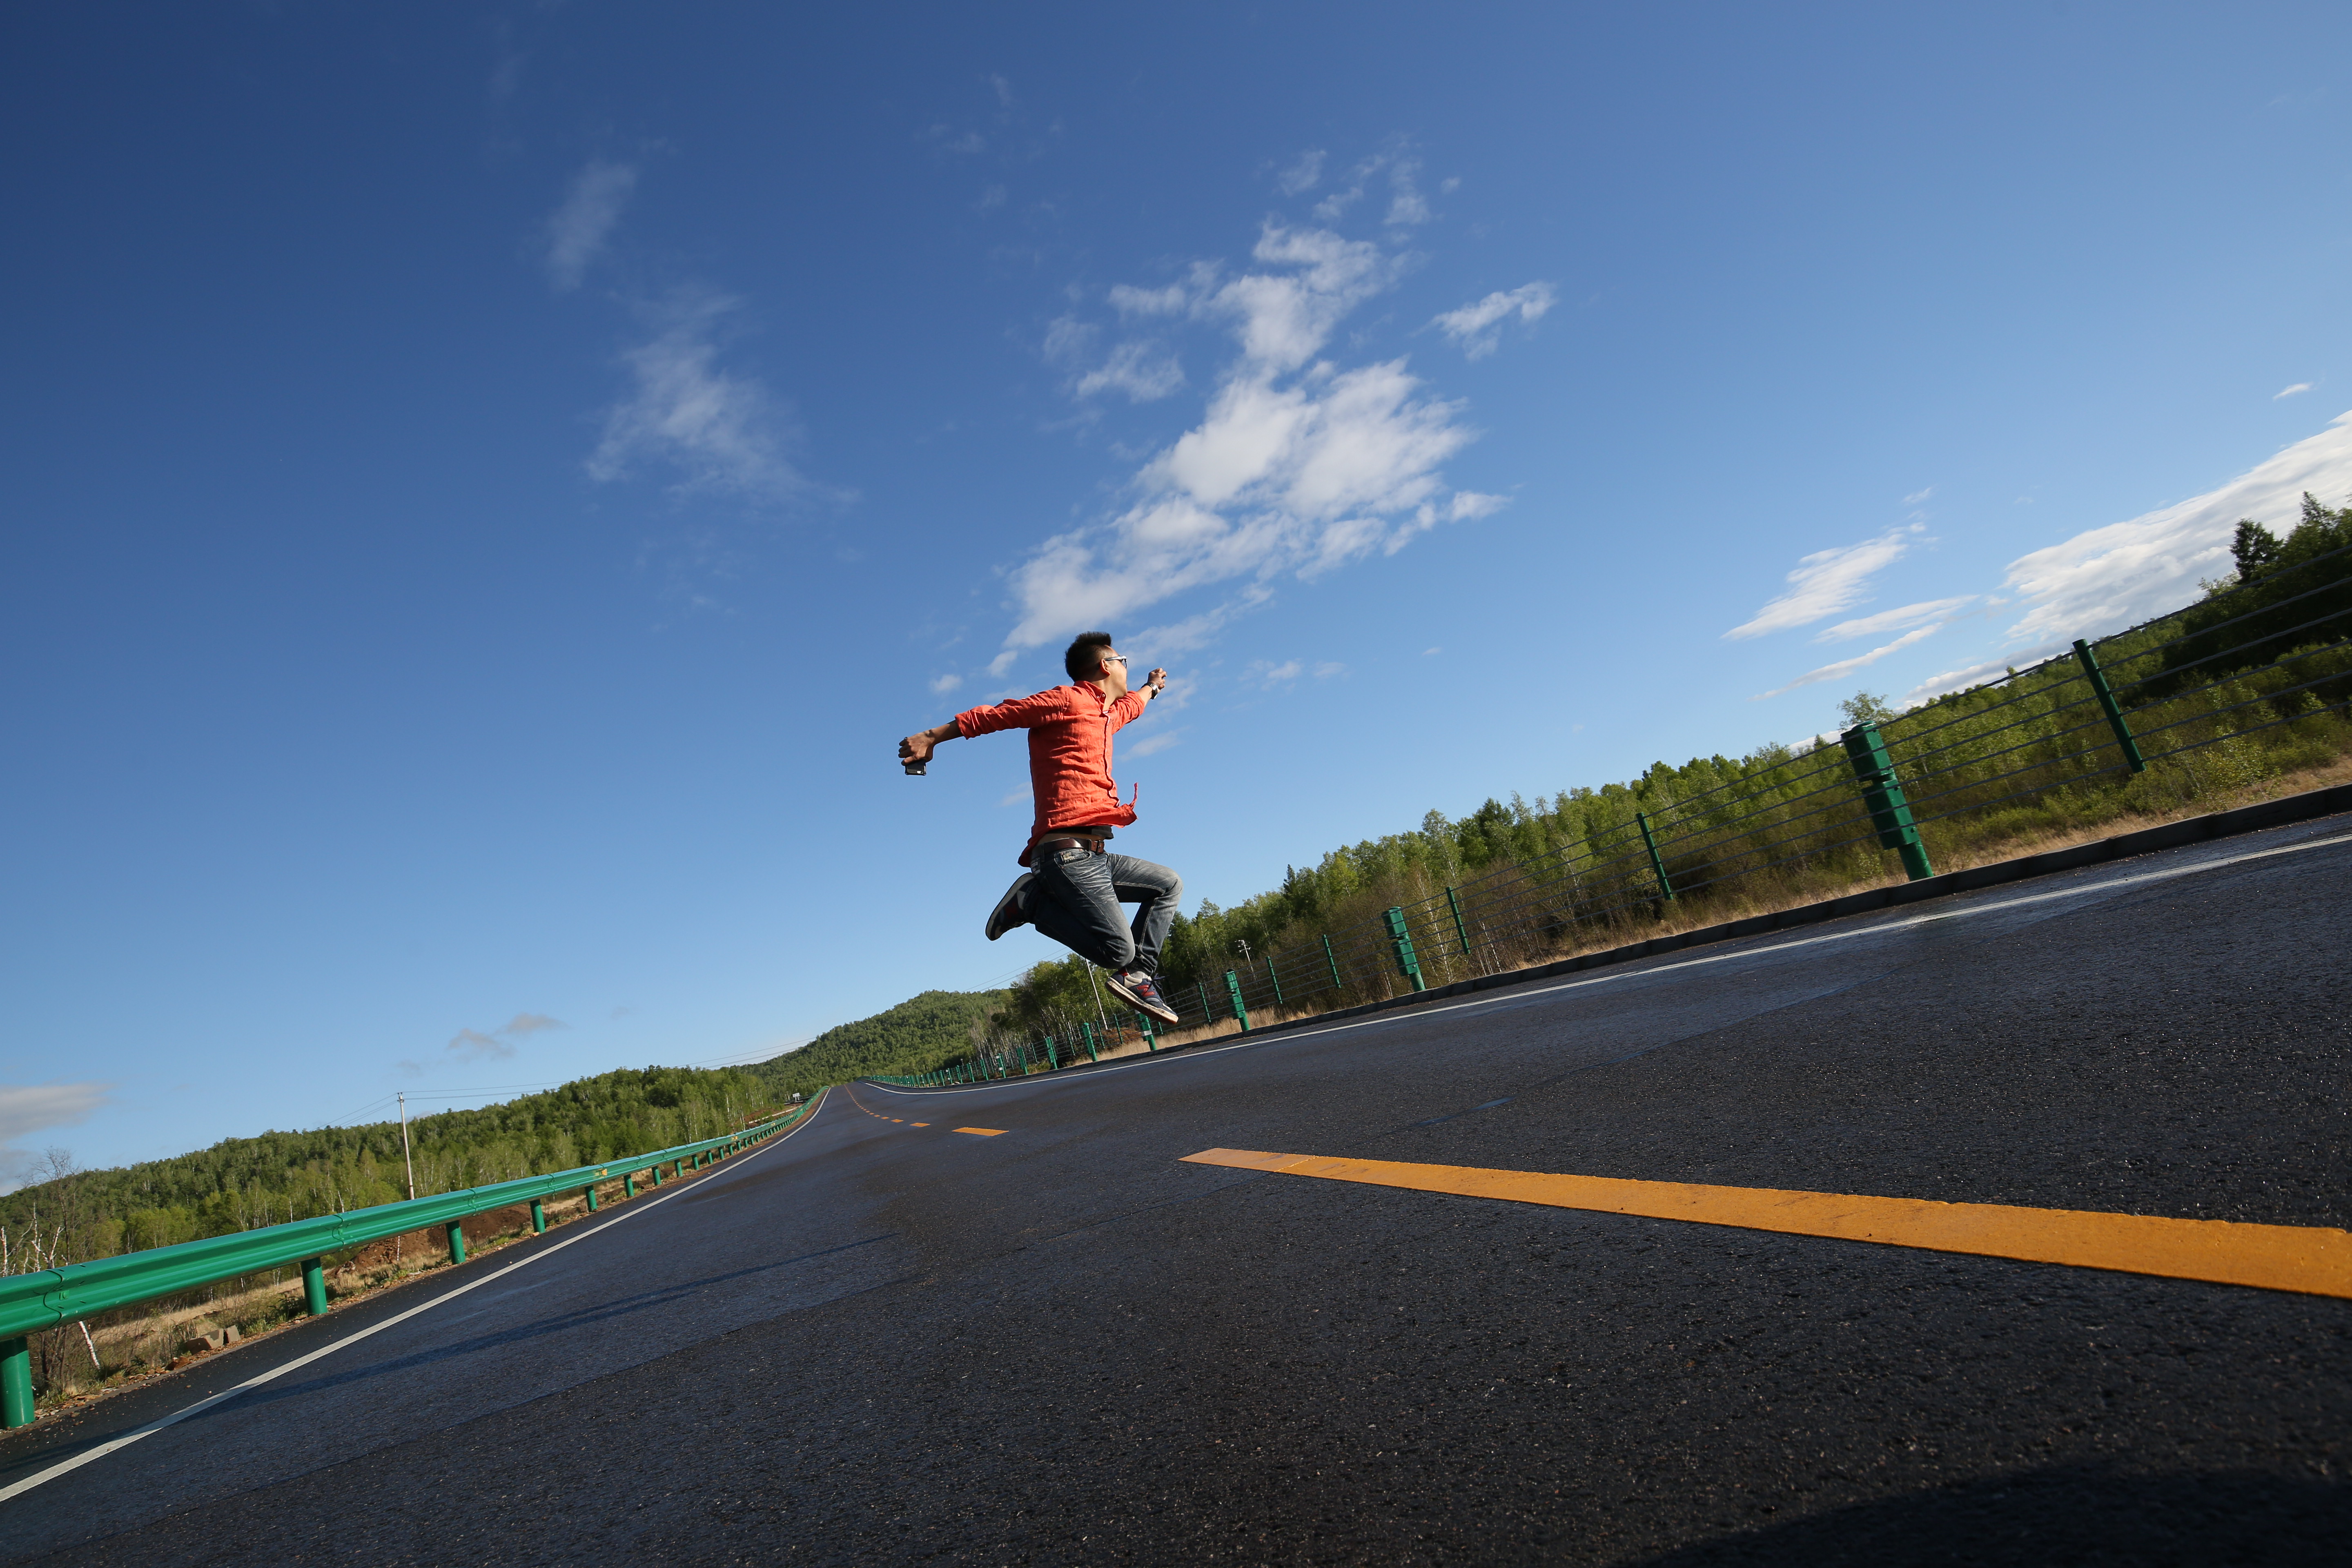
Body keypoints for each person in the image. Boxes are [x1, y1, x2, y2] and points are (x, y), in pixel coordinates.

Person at [898, 631, 1184, 1025]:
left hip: (1096, 855)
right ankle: (1033, 901)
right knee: (1118, 950)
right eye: (1123, 660)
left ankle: (1138, 975)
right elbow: (1000, 714)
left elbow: (1132, 706)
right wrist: (932, 737)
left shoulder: (1104, 716)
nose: (1126, 666)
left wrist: (1152, 688)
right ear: (1105, 666)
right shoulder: (1067, 700)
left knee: (1168, 884)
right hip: (1065, 855)